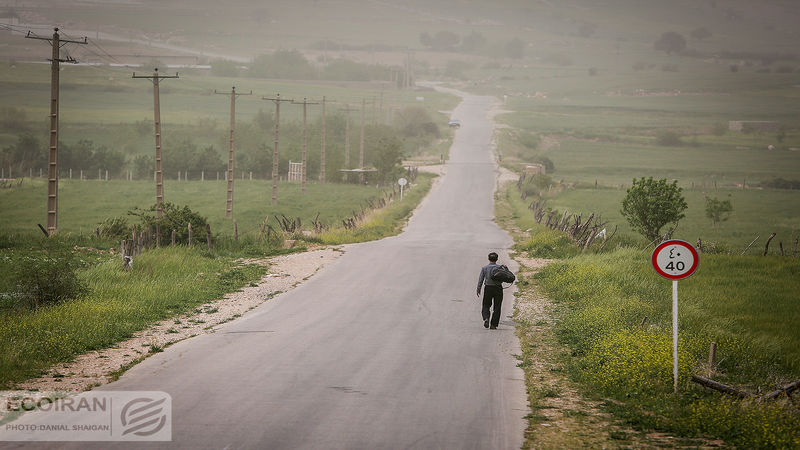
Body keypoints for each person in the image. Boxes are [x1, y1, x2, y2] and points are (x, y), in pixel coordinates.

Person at [476, 252, 503, 329]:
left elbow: (480, 280)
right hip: (498, 288)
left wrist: (478, 289)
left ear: (488, 259)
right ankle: (493, 325)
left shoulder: (484, 268)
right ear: (497, 259)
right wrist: (505, 268)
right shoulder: (500, 268)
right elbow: (507, 275)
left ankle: (486, 318)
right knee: (497, 306)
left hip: (488, 288)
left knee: (486, 305)